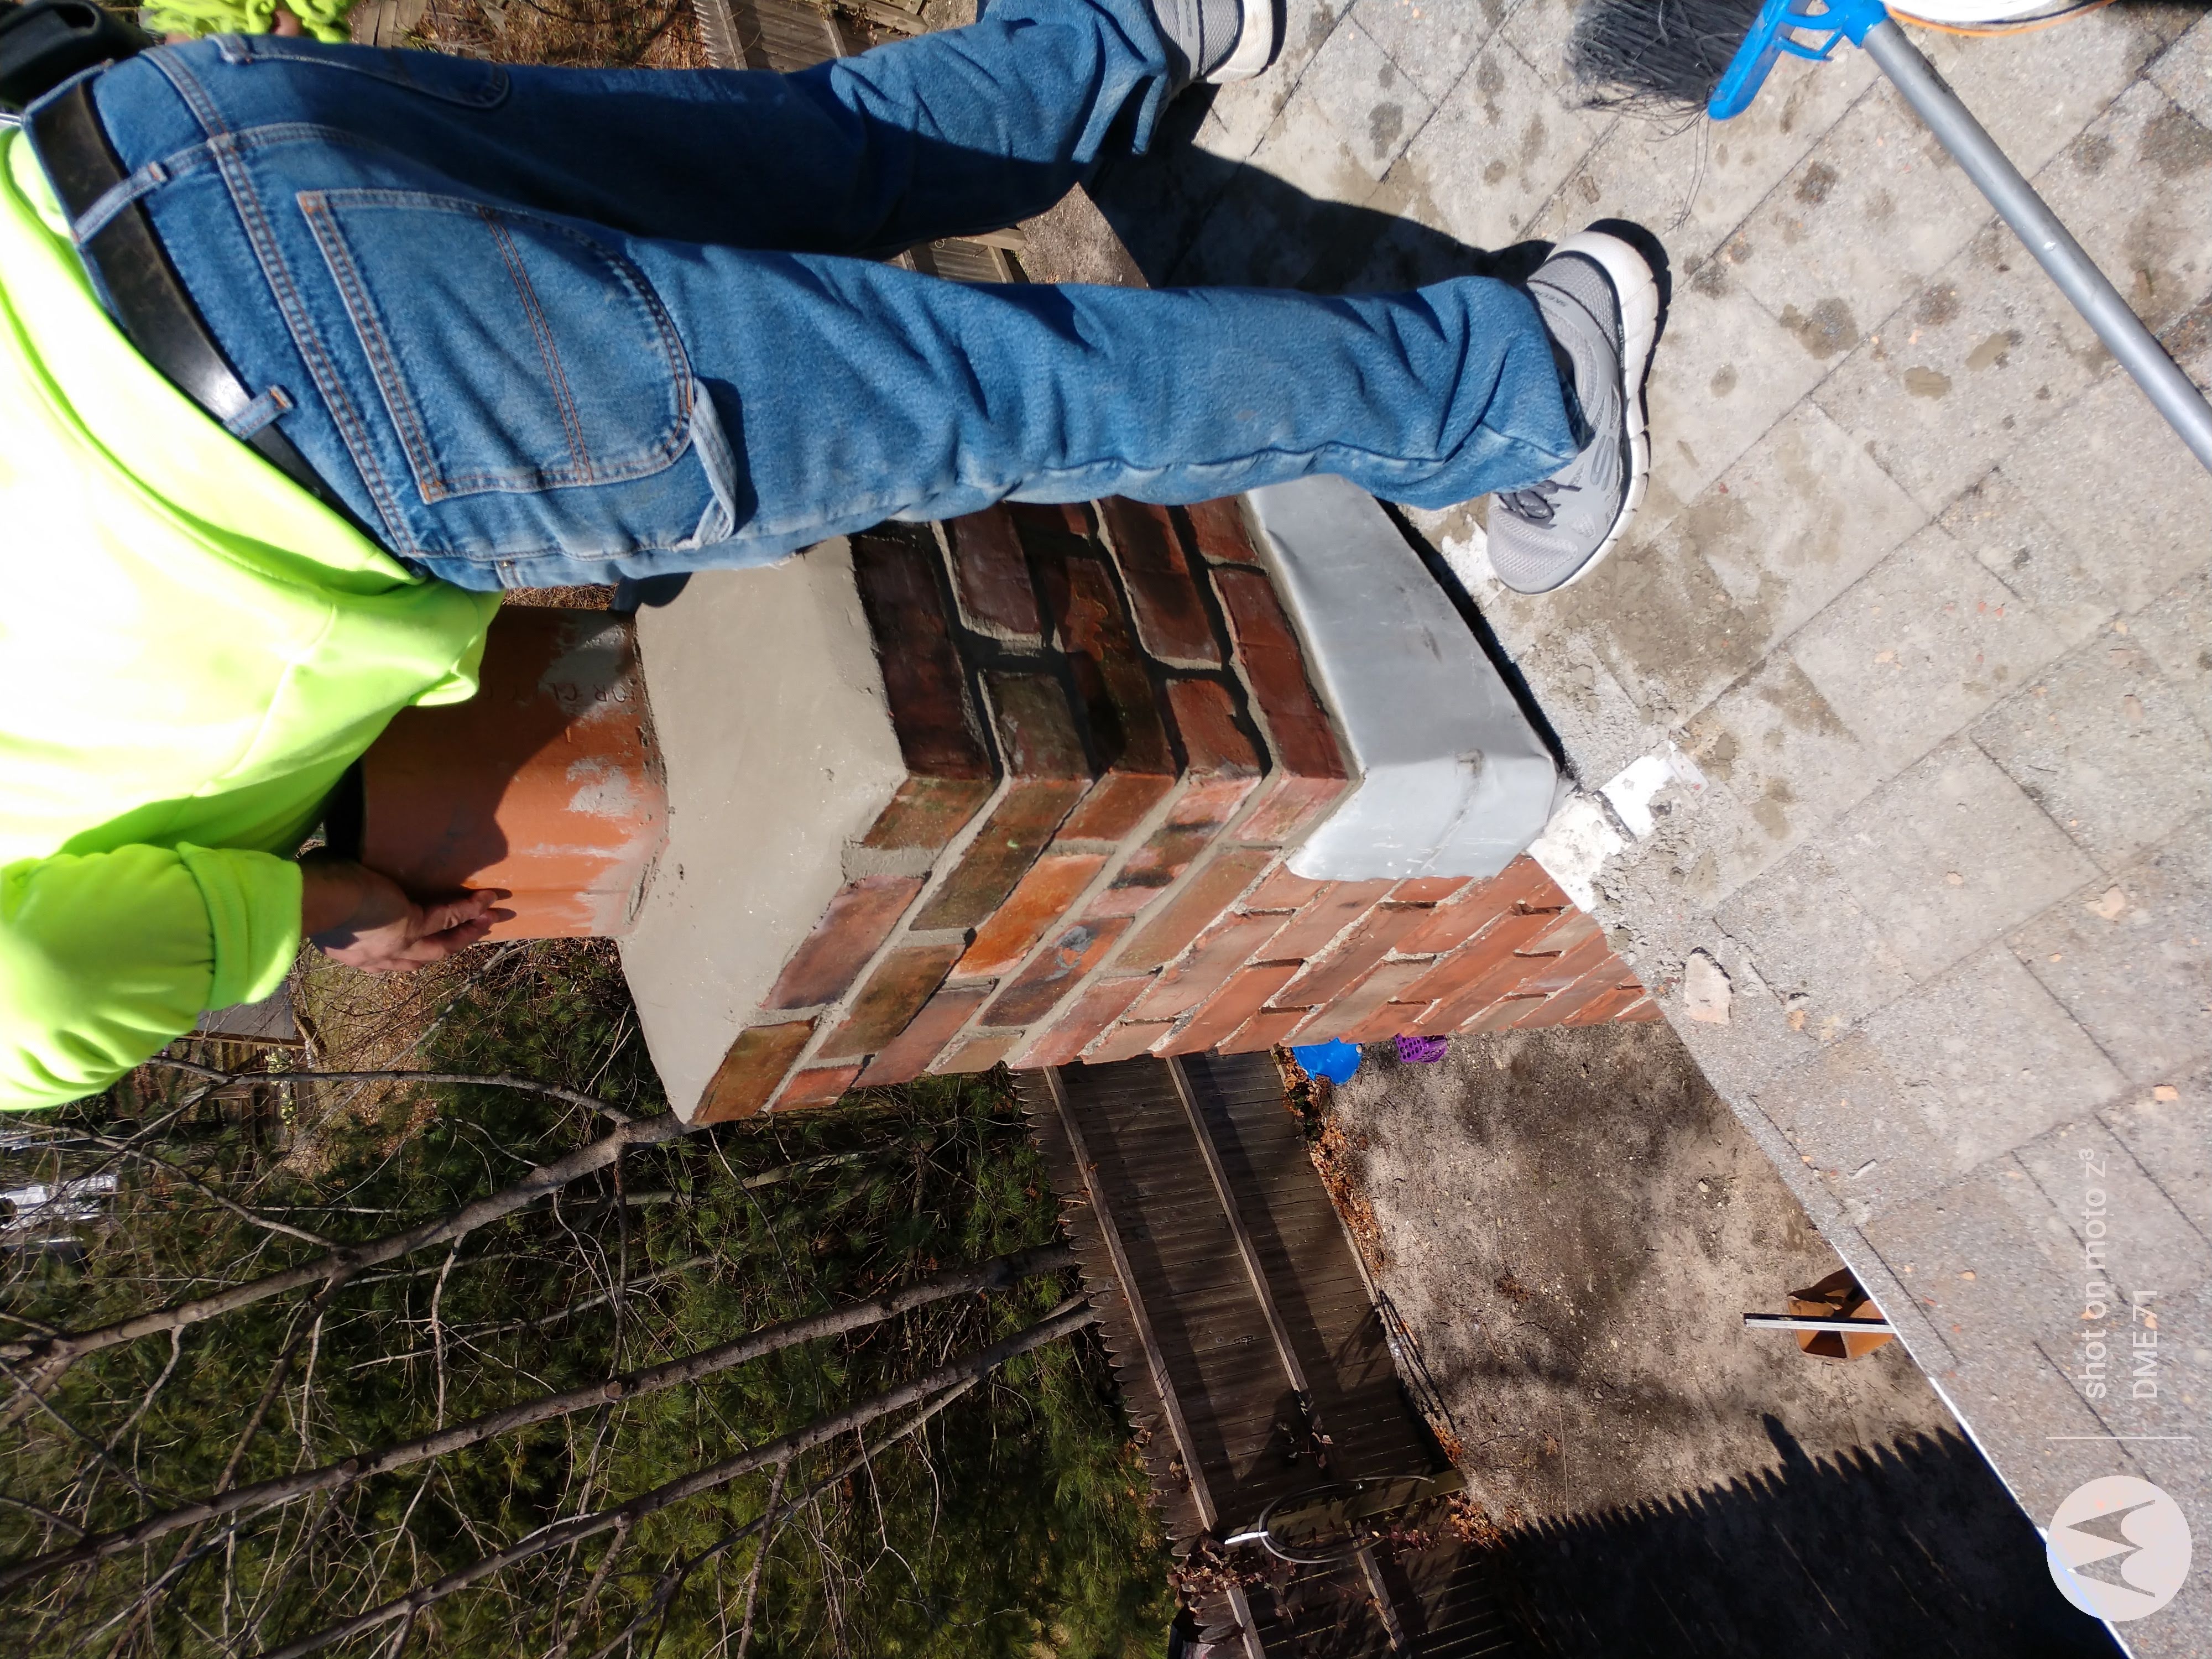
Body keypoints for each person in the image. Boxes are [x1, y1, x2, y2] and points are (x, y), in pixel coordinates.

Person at [0, 0, 1661, 1111]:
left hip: (311, 413)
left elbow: (39, 969)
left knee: (993, 399)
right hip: (123, 144)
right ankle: (1146, 24)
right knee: (797, 157)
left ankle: (1524, 385)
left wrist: (293, 917)